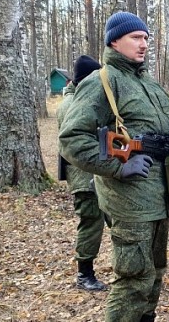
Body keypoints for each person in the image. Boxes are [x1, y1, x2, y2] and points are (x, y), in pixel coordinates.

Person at [59, 11, 169, 322]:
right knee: (134, 278)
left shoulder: (147, 81)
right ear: (114, 41)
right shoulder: (102, 82)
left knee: (155, 270)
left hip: (160, 194)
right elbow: (72, 139)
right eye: (136, 37)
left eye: (146, 38)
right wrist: (118, 167)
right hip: (129, 199)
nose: (143, 44)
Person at [56, 55, 107, 292]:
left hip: (92, 169)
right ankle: (84, 274)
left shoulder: (77, 99)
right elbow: (77, 142)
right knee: (91, 220)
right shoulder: (73, 104)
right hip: (82, 173)